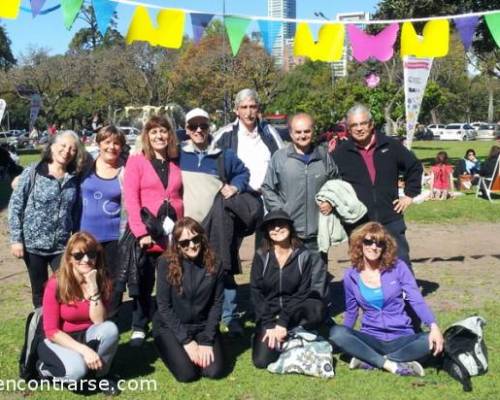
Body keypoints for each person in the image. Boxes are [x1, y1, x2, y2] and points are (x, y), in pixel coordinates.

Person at [329, 222, 444, 377]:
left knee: (429, 341)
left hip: (402, 337)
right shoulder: (351, 275)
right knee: (337, 333)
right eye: (368, 242)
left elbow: (416, 299)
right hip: (371, 337)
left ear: (385, 247)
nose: (373, 247)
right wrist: (345, 339)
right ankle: (392, 364)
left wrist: (433, 326)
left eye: (379, 243)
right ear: (360, 244)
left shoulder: (398, 267)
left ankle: (370, 360)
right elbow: (351, 311)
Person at [179, 107, 250, 335]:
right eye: (193, 126)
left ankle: (230, 316)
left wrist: (236, 186)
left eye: (203, 126)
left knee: (223, 269)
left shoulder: (223, 155)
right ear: (187, 129)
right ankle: (196, 313)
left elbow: (243, 172)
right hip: (188, 227)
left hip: (217, 223)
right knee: (189, 273)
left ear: (209, 128)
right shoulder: (179, 154)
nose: (199, 130)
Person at [332, 104, 423, 268]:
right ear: (348, 128)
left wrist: (409, 194)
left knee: (399, 260)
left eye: (363, 123)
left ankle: (405, 293)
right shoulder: (340, 154)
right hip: (358, 220)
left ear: (371, 124)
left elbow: (414, 166)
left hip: (390, 216)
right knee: (362, 263)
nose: (359, 129)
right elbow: (330, 183)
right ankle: (368, 294)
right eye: (354, 125)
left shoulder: (391, 145)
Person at [123, 115, 184, 346]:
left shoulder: (176, 161)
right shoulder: (137, 161)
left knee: (170, 280)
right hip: (148, 232)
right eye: (154, 132)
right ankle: (139, 325)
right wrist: (140, 232)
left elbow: (181, 195)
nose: (159, 136)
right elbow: (131, 199)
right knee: (144, 281)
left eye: (163, 131)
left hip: (172, 233)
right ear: (147, 136)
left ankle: (165, 321)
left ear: (170, 135)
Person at [8, 130, 86, 308]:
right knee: (40, 291)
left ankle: (62, 327)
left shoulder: (74, 178)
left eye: (73, 149)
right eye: (63, 146)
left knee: (66, 286)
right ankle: (41, 330)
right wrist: (16, 240)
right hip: (33, 246)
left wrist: (76, 239)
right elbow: (15, 206)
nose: (67, 151)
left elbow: (75, 211)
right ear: (52, 146)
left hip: (61, 246)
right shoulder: (32, 172)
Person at [36, 232, 120, 395]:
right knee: (76, 372)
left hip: (88, 335)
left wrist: (94, 290)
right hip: (60, 340)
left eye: (91, 254)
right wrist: (84, 351)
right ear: (69, 258)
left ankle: (101, 376)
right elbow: (51, 331)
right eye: (78, 255)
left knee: (111, 328)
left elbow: (99, 322)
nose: (86, 259)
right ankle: (45, 368)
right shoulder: (56, 284)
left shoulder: (101, 280)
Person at [251, 209, 326, 369]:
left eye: (281, 224)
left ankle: (295, 332)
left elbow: (302, 292)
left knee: (317, 307)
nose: (277, 229)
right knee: (261, 361)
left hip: (293, 311)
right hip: (268, 314)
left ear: (290, 227)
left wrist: (283, 322)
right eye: (271, 226)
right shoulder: (261, 255)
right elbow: (256, 292)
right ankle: (286, 339)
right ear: (267, 232)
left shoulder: (303, 254)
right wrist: (270, 324)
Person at [153, 217, 225, 382]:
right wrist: (186, 341)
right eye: (185, 242)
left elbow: (217, 303)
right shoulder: (165, 263)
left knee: (214, 371)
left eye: (195, 239)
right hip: (171, 326)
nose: (192, 245)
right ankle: (165, 345)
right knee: (188, 374)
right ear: (177, 244)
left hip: (202, 326)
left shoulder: (216, 263)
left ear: (202, 237)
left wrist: (207, 340)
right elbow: (164, 306)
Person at [261, 112, 338, 258]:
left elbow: (336, 182)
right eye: (298, 132)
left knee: (317, 279)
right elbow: (267, 188)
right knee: (292, 278)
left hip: (318, 232)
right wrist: (281, 211)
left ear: (313, 131)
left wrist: (331, 201)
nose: (302, 136)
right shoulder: (280, 158)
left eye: (307, 131)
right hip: (290, 232)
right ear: (290, 133)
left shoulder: (323, 156)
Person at [79, 125, 126, 315]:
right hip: (87, 235)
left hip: (115, 235)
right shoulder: (85, 166)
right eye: (107, 142)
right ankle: (87, 314)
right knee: (87, 276)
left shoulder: (126, 169)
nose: (111, 147)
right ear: (99, 143)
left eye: (116, 143)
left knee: (113, 280)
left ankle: (111, 316)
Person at [213, 88, 283, 194]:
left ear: (258, 109)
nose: (248, 112)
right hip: (239, 200)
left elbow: (284, 163)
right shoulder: (225, 135)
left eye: (252, 107)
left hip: (267, 202)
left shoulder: (269, 133)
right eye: (244, 107)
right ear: (236, 110)